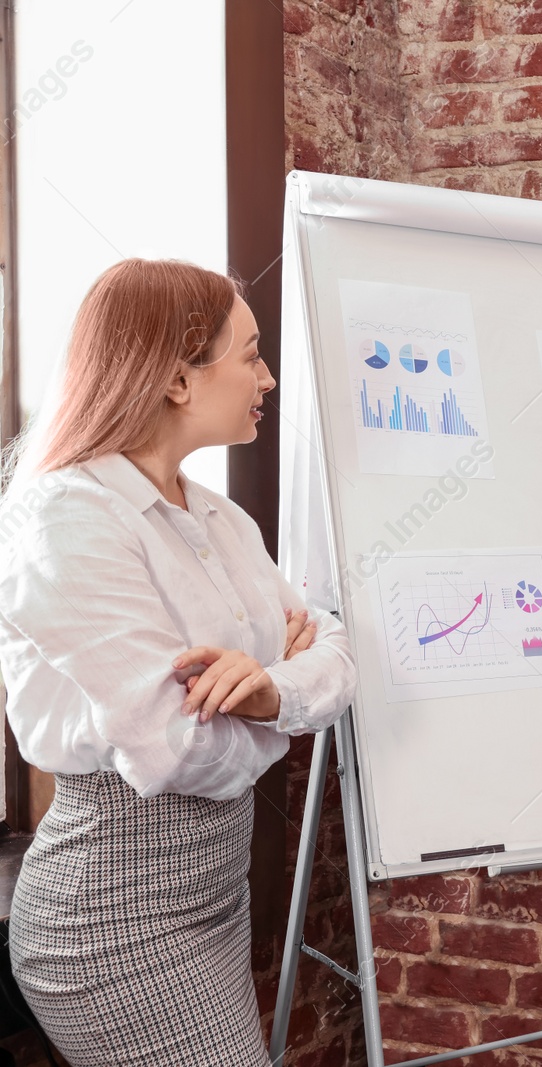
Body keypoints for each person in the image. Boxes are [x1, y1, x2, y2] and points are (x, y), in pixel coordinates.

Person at [0, 259, 357, 1067]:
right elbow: (179, 751)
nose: (267, 377)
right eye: (251, 354)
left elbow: (334, 647)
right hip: (111, 918)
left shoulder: (220, 519)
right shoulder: (63, 521)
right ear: (176, 379)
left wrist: (269, 690)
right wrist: (284, 703)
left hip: (215, 897)